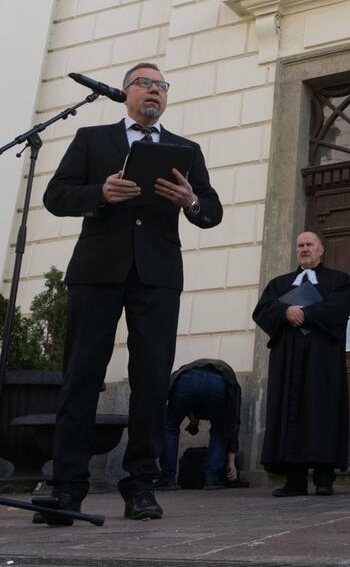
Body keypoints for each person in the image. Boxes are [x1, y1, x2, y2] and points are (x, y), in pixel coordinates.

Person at [39, 62, 222, 524]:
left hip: (157, 276)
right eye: (146, 83)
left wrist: (191, 202)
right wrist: (99, 193)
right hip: (97, 271)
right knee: (81, 378)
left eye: (162, 86)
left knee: (152, 381)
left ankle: (141, 485)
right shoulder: (92, 139)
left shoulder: (186, 149)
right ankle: (67, 488)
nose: (155, 91)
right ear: (126, 93)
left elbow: (212, 210)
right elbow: (56, 197)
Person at [252, 231, 350, 497]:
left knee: (323, 414)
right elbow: (262, 310)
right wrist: (285, 312)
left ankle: (323, 479)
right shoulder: (279, 283)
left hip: (323, 360)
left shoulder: (339, 281)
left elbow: (340, 307)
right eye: (300, 245)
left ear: (322, 249)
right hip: (287, 359)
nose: (305, 249)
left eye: (310, 244)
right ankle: (294, 480)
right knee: (289, 412)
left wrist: (304, 314)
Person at [157, 359, 242, 491]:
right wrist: (231, 462)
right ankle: (212, 480)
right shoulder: (233, 385)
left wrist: (191, 416)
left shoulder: (188, 369)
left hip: (186, 378)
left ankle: (167, 479)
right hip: (220, 382)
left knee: (170, 427)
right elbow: (232, 425)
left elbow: (177, 398)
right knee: (220, 430)